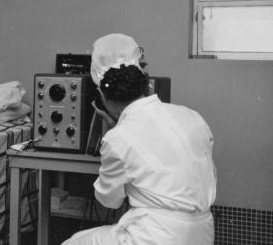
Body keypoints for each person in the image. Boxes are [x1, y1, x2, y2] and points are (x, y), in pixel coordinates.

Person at [62, 33, 217, 245]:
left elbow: (110, 200)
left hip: (155, 236)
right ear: (145, 85)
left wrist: (112, 133)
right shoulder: (191, 116)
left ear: (101, 95)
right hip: (203, 233)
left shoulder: (117, 139)